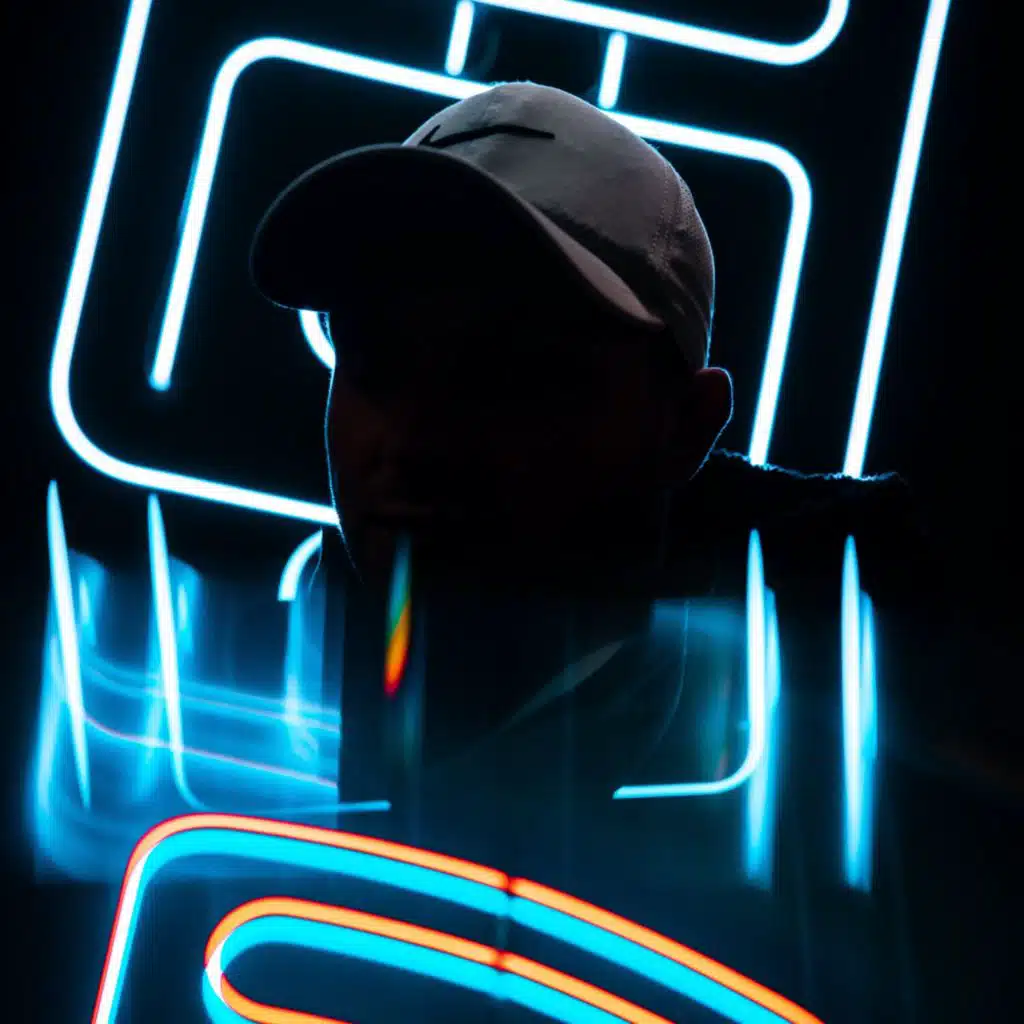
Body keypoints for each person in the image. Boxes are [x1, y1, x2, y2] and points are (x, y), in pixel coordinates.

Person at [248, 83, 940, 1022]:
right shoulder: (241, 734)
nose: (412, 439)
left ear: (685, 428)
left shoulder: (864, 808)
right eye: (375, 364)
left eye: (505, 376)